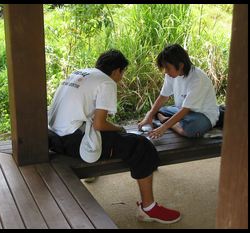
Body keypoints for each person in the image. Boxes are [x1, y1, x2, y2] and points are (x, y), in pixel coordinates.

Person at [48, 49, 181, 224]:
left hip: (53, 138)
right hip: (73, 143)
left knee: (123, 141)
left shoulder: (80, 73)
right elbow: (99, 124)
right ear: (117, 70)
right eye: (123, 73)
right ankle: (148, 208)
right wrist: (119, 128)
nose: (122, 77)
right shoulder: (106, 82)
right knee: (141, 145)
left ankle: (139, 184)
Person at [138, 44, 220, 139]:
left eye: (168, 68)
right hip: (182, 110)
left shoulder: (197, 78)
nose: (165, 71)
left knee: (190, 129)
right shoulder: (170, 75)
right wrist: (148, 117)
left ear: (180, 65)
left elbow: (185, 110)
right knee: (159, 110)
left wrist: (164, 127)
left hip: (203, 115)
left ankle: (167, 121)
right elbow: (163, 96)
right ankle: (175, 123)